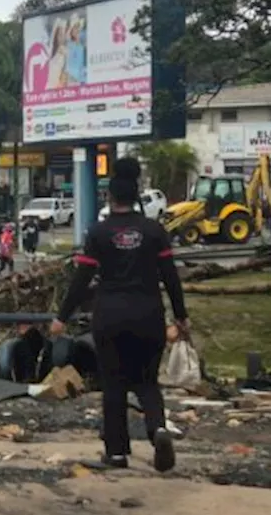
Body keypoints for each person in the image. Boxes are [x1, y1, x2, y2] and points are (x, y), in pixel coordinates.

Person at [52, 157, 187, 473]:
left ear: (110, 198)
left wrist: (61, 317)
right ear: (136, 194)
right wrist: (181, 316)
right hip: (149, 315)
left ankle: (116, 452)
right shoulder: (154, 231)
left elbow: (81, 280)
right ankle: (158, 430)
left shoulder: (99, 233)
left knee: (113, 383)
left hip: (110, 316)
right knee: (148, 382)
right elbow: (170, 277)